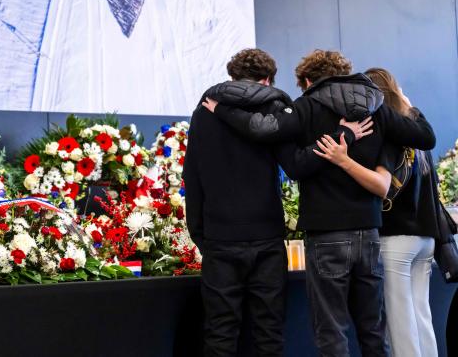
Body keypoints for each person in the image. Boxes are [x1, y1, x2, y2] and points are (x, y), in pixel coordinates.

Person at [202, 50, 436, 357]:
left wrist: (222, 110)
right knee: (373, 331)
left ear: (308, 81)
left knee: (331, 331)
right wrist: (404, 104)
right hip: (369, 232)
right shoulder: (375, 106)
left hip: (327, 233)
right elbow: (426, 137)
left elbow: (284, 153)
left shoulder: (306, 107)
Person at [183, 48, 369, 357]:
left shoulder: (205, 111)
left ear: (232, 77)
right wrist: (343, 136)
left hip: (219, 236)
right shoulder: (274, 109)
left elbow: (193, 173)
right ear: (268, 79)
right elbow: (297, 164)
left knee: (220, 332)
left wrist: (200, 233)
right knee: (269, 332)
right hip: (267, 237)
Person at [313, 67, 439, 357]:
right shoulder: (418, 136)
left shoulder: (388, 133)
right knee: (422, 318)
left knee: (400, 324)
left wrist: (344, 161)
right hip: (425, 239)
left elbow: (382, 185)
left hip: (395, 239)